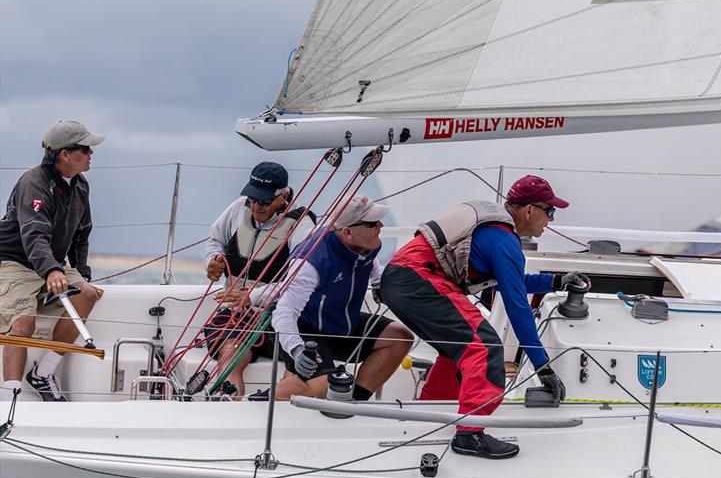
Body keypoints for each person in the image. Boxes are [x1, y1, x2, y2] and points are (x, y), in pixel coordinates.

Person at [381, 175, 584, 460]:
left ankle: (430, 411)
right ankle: (470, 433)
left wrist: (556, 282)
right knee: (485, 346)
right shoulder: (504, 240)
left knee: (461, 348)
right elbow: (517, 306)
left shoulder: (496, 235)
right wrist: (544, 368)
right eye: (549, 211)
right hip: (418, 278)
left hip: (402, 280)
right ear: (529, 210)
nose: (550, 219)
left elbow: (512, 282)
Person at [0, 120, 105, 402]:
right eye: (86, 148)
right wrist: (51, 270)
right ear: (65, 154)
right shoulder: (33, 182)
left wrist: (81, 273)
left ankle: (43, 373)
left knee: (88, 294)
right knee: (23, 324)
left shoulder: (81, 186)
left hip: (53, 263)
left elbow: (82, 234)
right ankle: (11, 400)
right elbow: (33, 234)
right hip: (15, 261)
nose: (91, 153)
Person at [271, 195, 413, 402]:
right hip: (308, 330)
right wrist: (297, 349)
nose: (380, 226)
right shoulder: (312, 262)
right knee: (321, 383)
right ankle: (251, 407)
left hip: (342, 322)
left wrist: (377, 283)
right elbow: (284, 311)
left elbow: (370, 263)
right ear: (347, 232)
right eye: (372, 223)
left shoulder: (368, 243)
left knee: (399, 337)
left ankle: (353, 403)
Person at [202, 161, 316, 399]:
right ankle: (229, 403)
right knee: (230, 349)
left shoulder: (302, 225)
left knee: (298, 364)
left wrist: (252, 297)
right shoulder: (237, 209)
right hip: (234, 314)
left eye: (263, 201)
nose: (255, 206)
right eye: (252, 198)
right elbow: (215, 239)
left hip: (279, 315)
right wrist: (212, 261)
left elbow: (299, 280)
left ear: (283, 196)